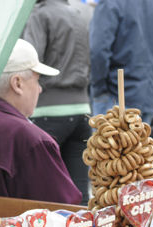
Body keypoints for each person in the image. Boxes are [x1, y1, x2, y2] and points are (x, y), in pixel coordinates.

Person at [0, 39, 82, 205]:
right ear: (17, 83)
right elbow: (64, 208)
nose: (39, 89)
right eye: (37, 80)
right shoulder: (31, 140)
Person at [22, 0, 94, 205]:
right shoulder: (81, 14)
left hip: (48, 109)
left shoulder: (40, 14)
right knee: (80, 190)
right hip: (82, 109)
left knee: (43, 188)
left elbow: (31, 60)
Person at [89, 0, 153, 124]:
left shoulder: (111, 3)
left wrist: (99, 89)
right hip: (146, 96)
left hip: (116, 96)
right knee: (140, 143)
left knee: (106, 141)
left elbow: (98, 50)